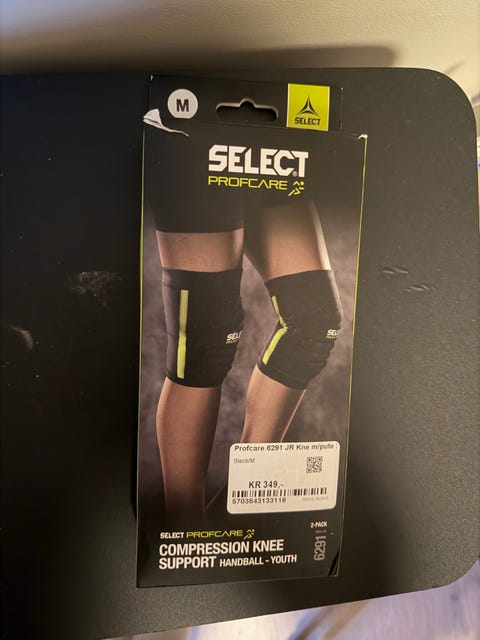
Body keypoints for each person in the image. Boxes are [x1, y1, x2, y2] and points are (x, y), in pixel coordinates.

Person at [146, 129, 343, 523]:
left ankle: (245, 498)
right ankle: (184, 529)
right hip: (190, 139)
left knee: (314, 320)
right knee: (206, 337)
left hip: (263, 143)